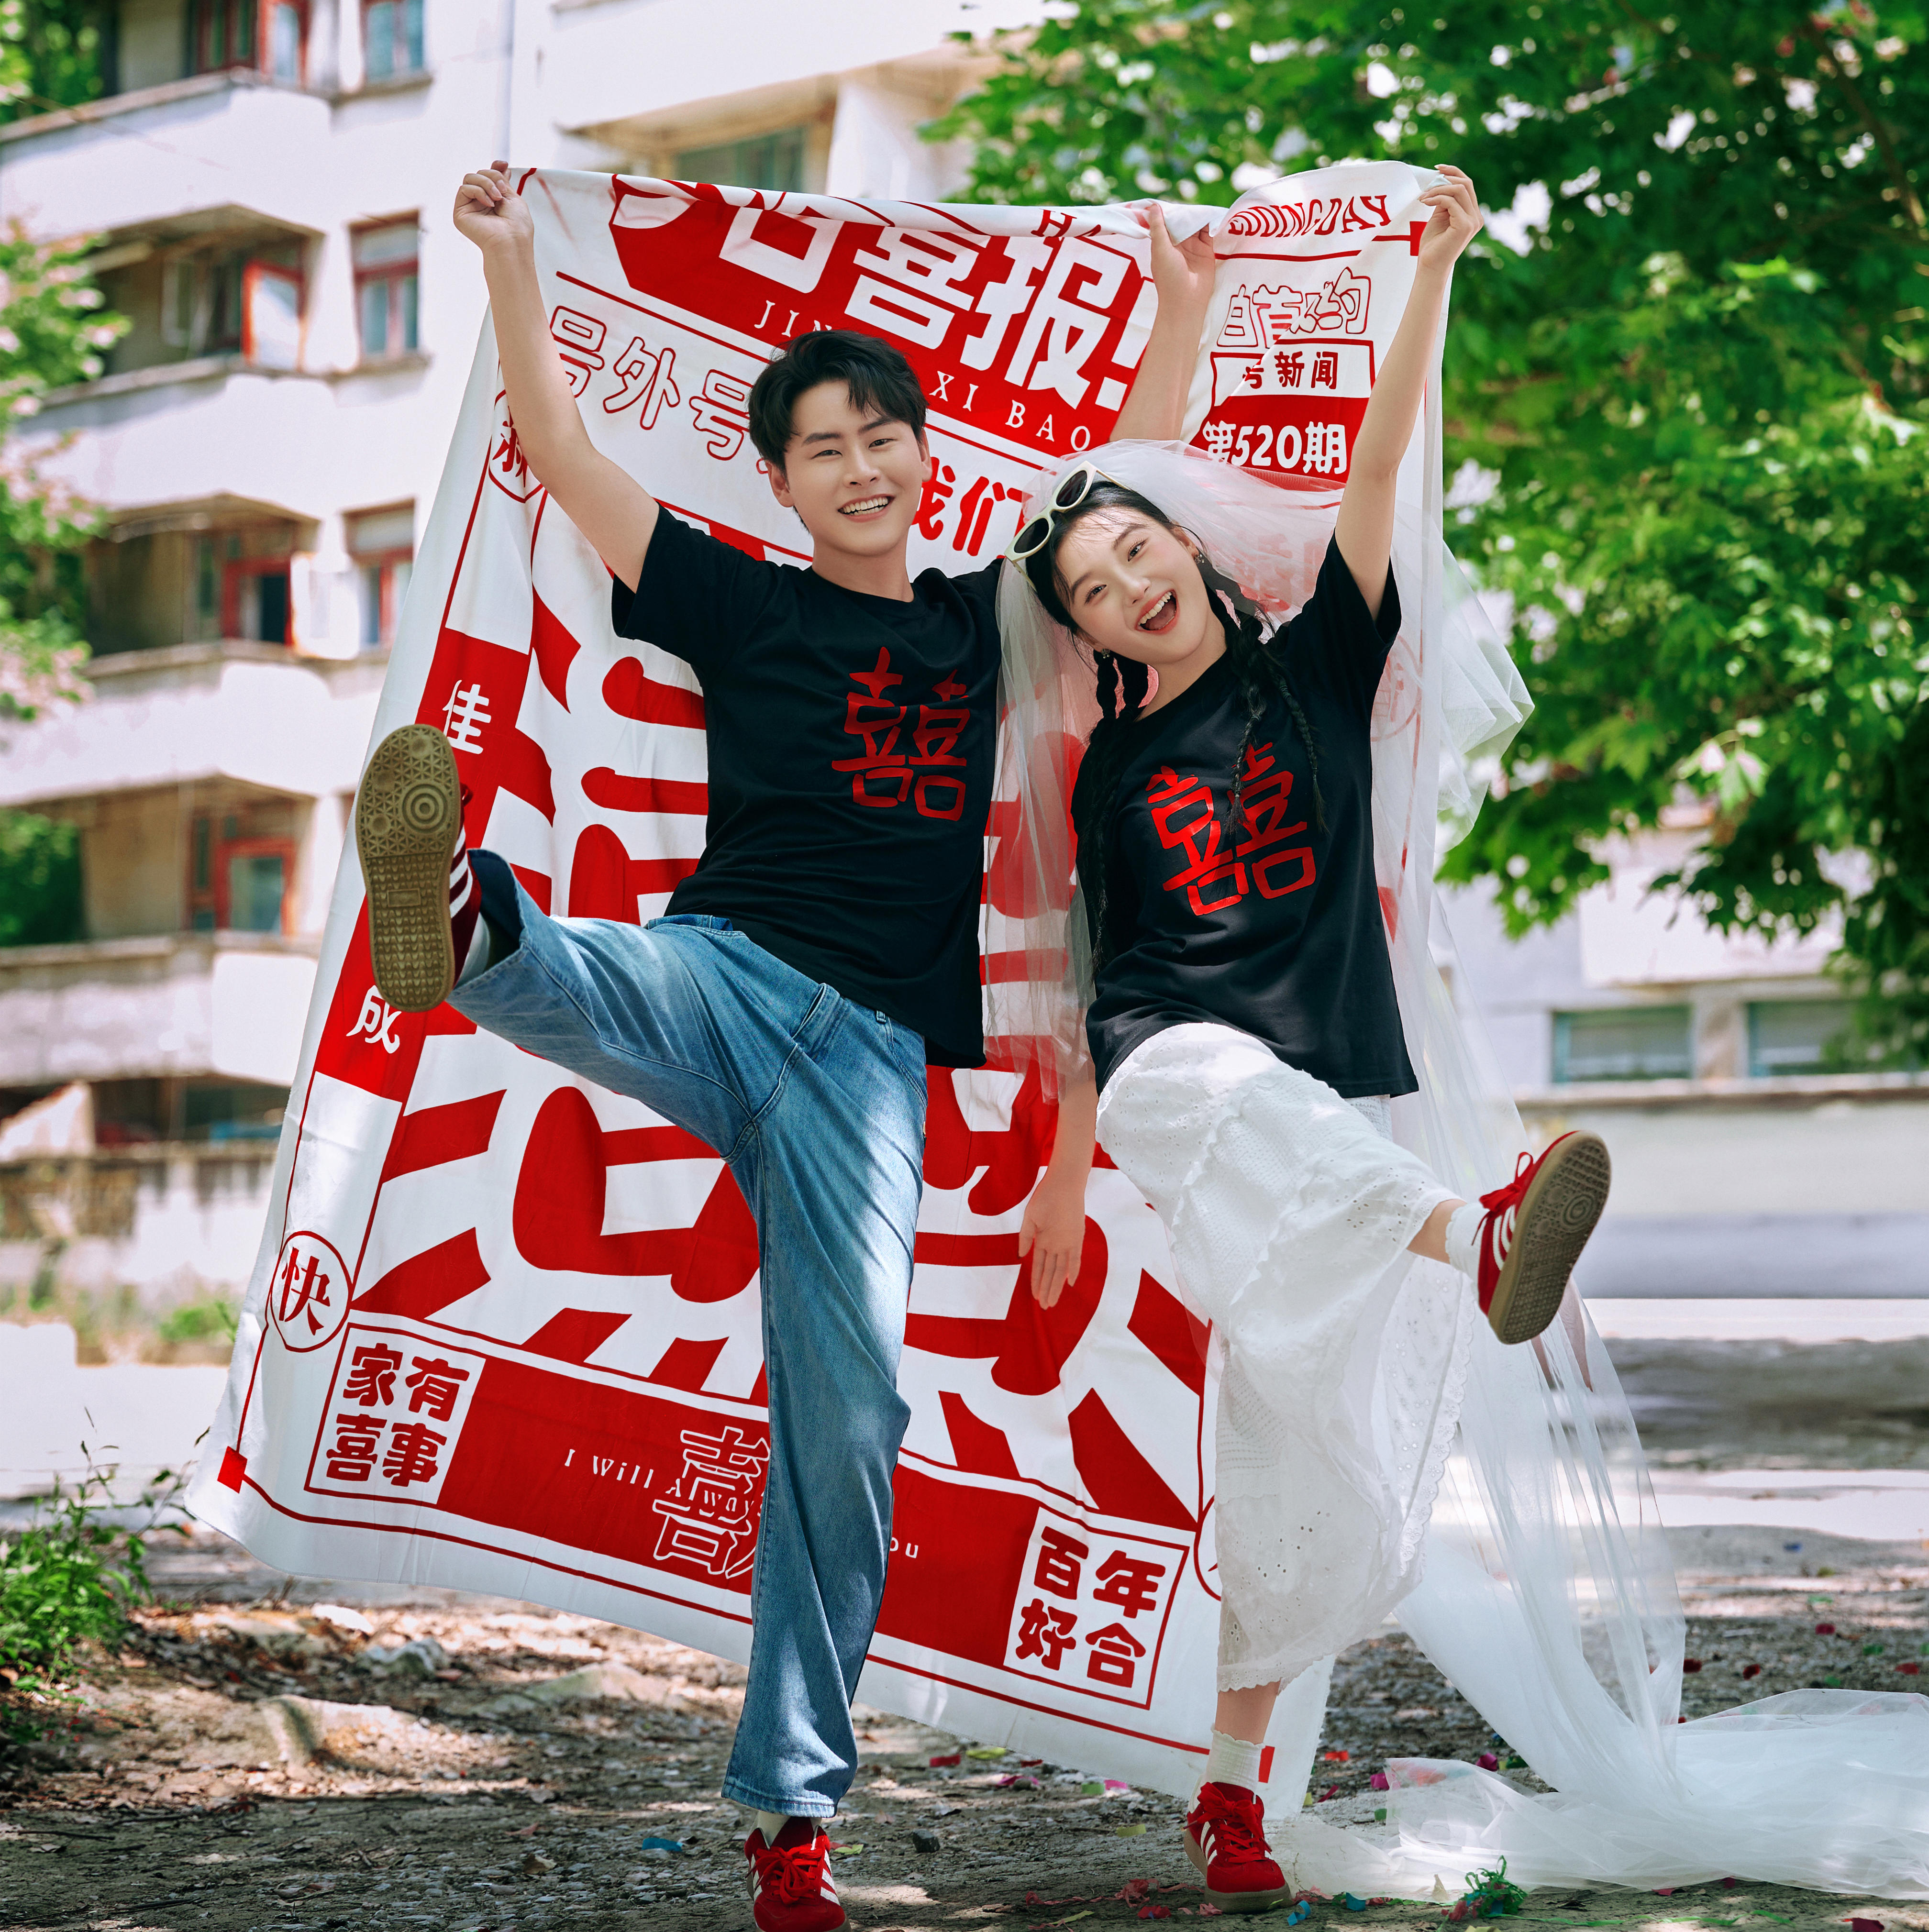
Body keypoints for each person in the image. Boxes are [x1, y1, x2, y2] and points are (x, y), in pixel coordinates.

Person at [349, 162, 1215, 1932]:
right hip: (727, 973)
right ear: (784, 480)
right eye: (825, 448)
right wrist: (511, 260)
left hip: (865, 1072)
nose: (861, 465)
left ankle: (791, 1814)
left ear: (922, 454)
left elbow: (1121, 486)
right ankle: (461, 905)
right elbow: (566, 452)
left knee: (854, 1410)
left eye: (882, 436)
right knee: (582, 971)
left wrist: (1185, 305)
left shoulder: (982, 619)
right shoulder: (741, 600)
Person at [996, 166, 1613, 1914]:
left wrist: (1431, 274)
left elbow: (1375, 462)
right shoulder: (1112, 766)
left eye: (1139, 549)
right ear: (1086, 635)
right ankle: (1477, 1235)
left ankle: (1229, 1794)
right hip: (1181, 1081)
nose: (1127, 583)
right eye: (1094, 589)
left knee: (1299, 1472)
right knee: (1202, 1073)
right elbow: (1092, 980)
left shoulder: (1320, 662)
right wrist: (1063, 1175)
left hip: (1339, 1124)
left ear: (1190, 546)